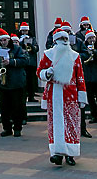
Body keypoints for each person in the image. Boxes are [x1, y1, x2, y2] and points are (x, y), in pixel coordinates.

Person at [37, 26, 87, 166]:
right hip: (54, 94)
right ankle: (57, 153)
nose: (64, 41)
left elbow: (80, 77)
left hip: (70, 94)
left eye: (66, 38)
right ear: (55, 41)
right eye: (61, 39)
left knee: (71, 124)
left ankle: (70, 154)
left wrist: (82, 96)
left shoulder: (75, 56)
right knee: (55, 124)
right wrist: (47, 73)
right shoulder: (48, 55)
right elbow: (39, 71)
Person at [0, 28, 28, 137]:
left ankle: (17, 128)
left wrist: (11, 62)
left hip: (16, 83)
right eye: (1, 41)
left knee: (17, 106)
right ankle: (6, 128)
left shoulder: (17, 49)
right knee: (4, 108)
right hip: (3, 84)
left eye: (5, 40)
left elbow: (25, 60)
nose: (3, 42)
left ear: (9, 40)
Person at [79, 28, 97, 127]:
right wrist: (87, 55)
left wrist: (95, 52)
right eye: (90, 38)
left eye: (93, 38)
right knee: (90, 97)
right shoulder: (84, 48)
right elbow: (81, 58)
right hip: (88, 75)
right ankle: (93, 115)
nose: (92, 40)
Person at [18, 22, 39, 102]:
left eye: (25, 31)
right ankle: (23, 96)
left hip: (31, 62)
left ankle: (31, 96)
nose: (24, 33)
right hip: (23, 63)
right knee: (23, 81)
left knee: (31, 80)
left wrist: (32, 47)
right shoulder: (18, 39)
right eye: (23, 31)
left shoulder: (32, 39)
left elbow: (37, 48)